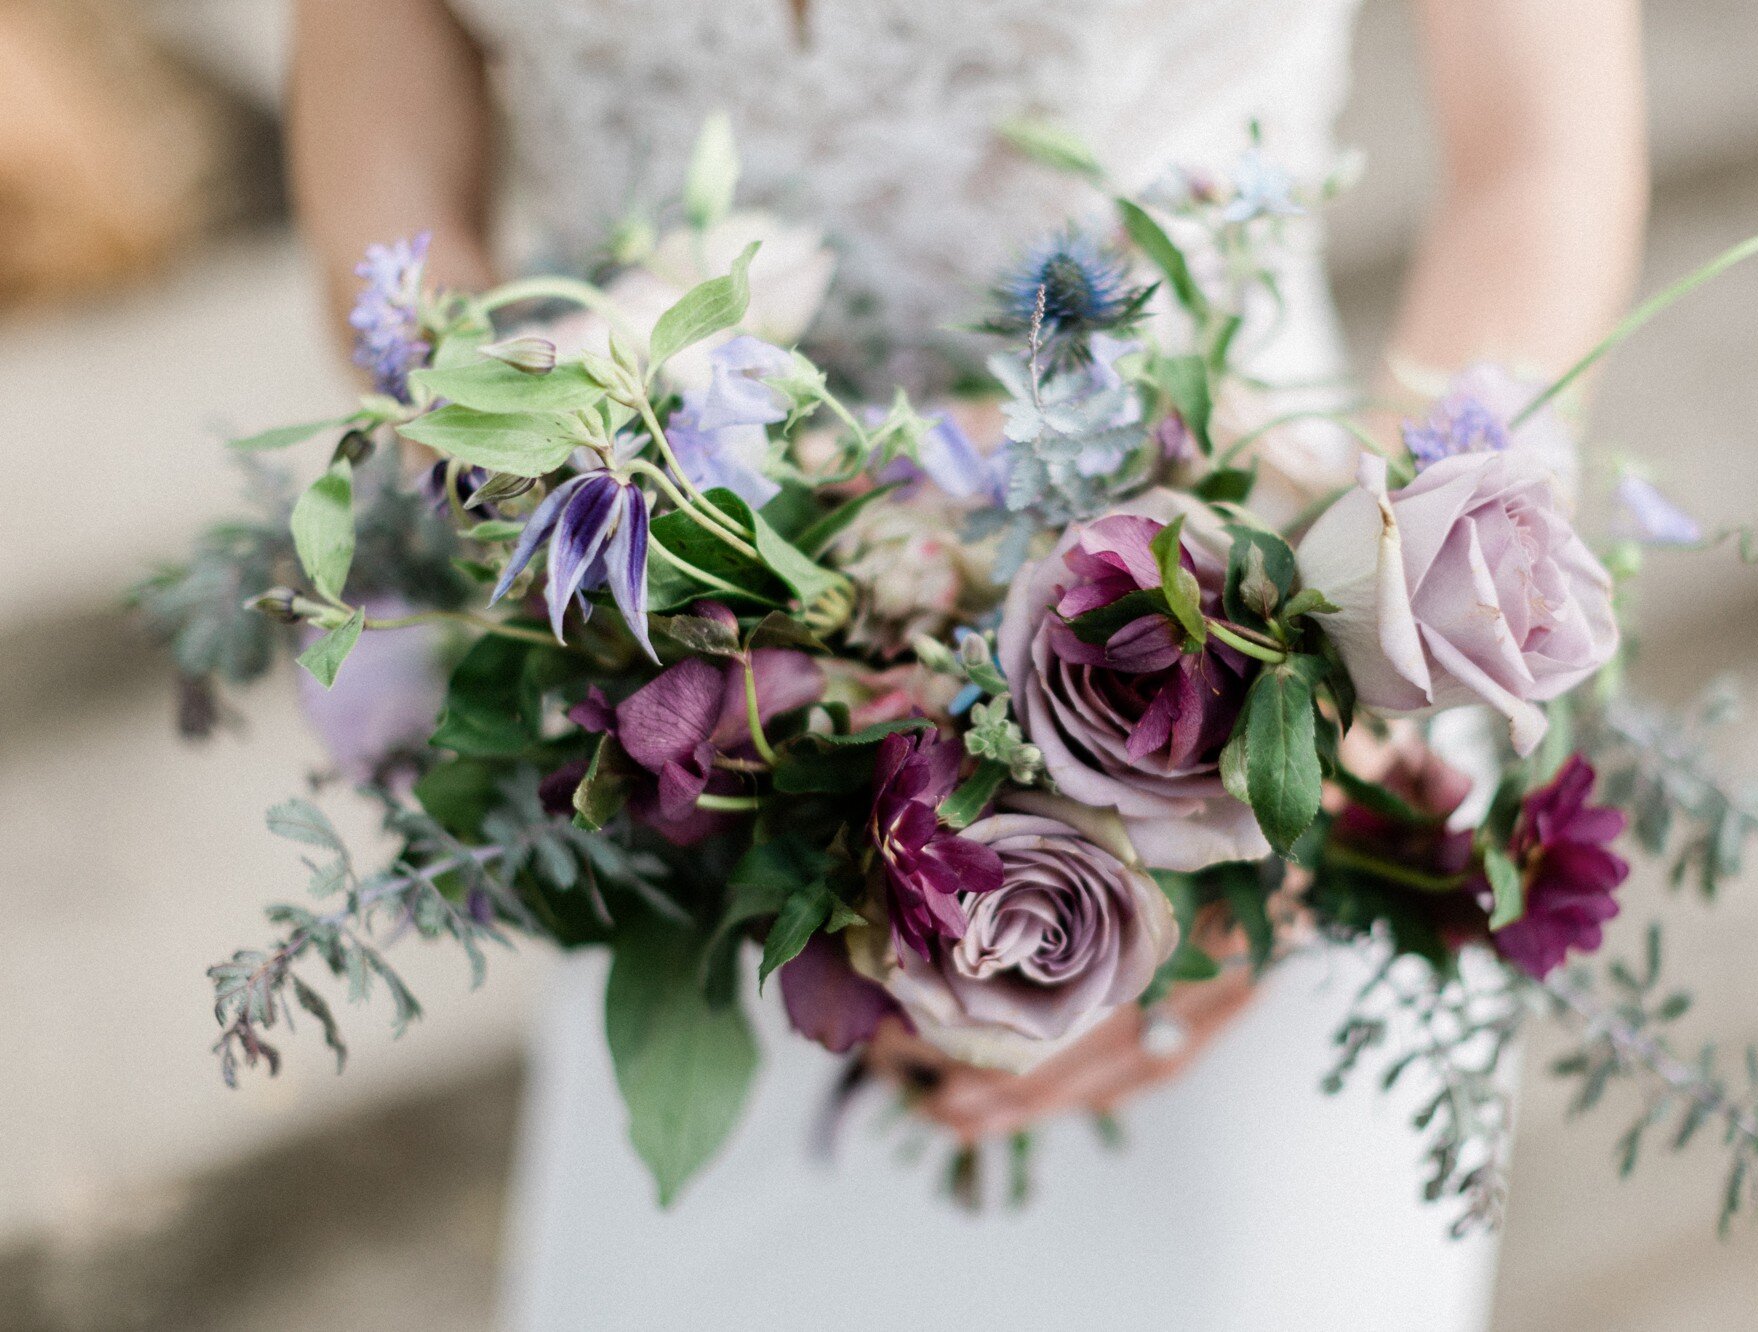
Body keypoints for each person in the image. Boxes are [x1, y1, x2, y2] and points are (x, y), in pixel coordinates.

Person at [290, 2, 1647, 1327]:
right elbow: (392, 175)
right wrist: (546, 489)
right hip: (693, 740)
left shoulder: (1281, 733)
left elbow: (1539, 162)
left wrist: (1305, 752)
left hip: (1231, 672)